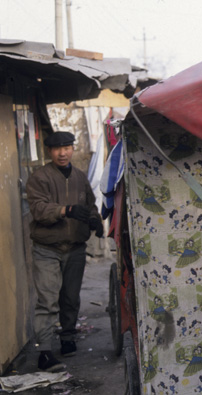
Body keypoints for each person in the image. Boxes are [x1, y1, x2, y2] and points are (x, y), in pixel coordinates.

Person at [26, 131, 104, 372]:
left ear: (72, 149)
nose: (63, 153)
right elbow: (39, 209)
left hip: (75, 248)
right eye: (57, 149)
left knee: (70, 298)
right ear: (49, 151)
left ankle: (68, 338)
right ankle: (44, 352)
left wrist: (95, 221)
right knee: (48, 301)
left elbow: (89, 205)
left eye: (67, 147)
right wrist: (65, 210)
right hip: (47, 249)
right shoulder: (39, 178)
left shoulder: (80, 177)